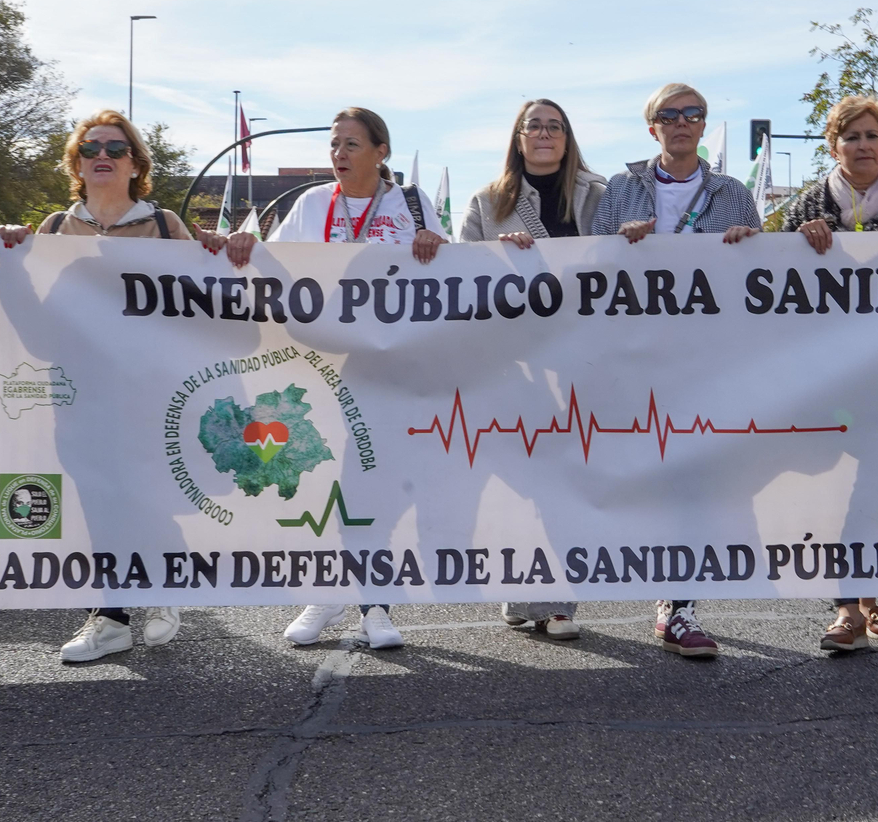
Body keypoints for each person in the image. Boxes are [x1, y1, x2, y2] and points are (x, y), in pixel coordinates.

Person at [226, 107, 445, 652]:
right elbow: (276, 267)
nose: (339, 154)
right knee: (320, 480)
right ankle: (325, 592)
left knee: (374, 482)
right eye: (334, 145)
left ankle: (375, 603)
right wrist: (245, 248)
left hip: (387, 365)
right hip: (318, 363)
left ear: (381, 152)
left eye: (351, 144)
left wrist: (436, 249)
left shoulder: (412, 205)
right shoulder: (309, 204)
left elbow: (450, 278)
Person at [592, 83, 762, 659]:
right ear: (652, 129)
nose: (682, 122)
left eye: (693, 114)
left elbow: (760, 275)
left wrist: (748, 242)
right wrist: (620, 243)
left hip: (703, 359)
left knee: (691, 478)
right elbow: (590, 268)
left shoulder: (733, 193)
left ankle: (678, 606)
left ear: (704, 124)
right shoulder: (620, 189)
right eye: (670, 115)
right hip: (633, 356)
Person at [36, 111, 209, 662]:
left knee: (143, 494)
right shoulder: (55, 230)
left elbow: (205, 306)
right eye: (90, 147)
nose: (101, 154)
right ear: (77, 163)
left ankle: (154, 586)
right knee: (99, 500)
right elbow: (30, 313)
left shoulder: (163, 228)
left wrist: (233, 252)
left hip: (151, 393)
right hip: (81, 394)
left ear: (136, 163)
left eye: (116, 146)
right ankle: (111, 616)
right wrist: (2, 255)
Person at [780, 95, 878, 653]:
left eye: (873, 136)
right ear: (834, 145)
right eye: (852, 138)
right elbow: (762, 274)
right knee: (832, 486)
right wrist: (794, 242)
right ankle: (846, 607)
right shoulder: (803, 208)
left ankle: (866, 601)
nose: (863, 146)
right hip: (824, 375)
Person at [460, 99, 606, 641]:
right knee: (519, 478)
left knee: (567, 474)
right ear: (517, 137)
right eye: (534, 126)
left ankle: (561, 599)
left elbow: (620, 259)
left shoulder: (600, 194)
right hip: (511, 359)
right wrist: (494, 256)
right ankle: (520, 590)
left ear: (567, 138)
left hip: (580, 355)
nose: (544, 134)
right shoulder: (486, 201)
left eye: (555, 126)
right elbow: (459, 275)